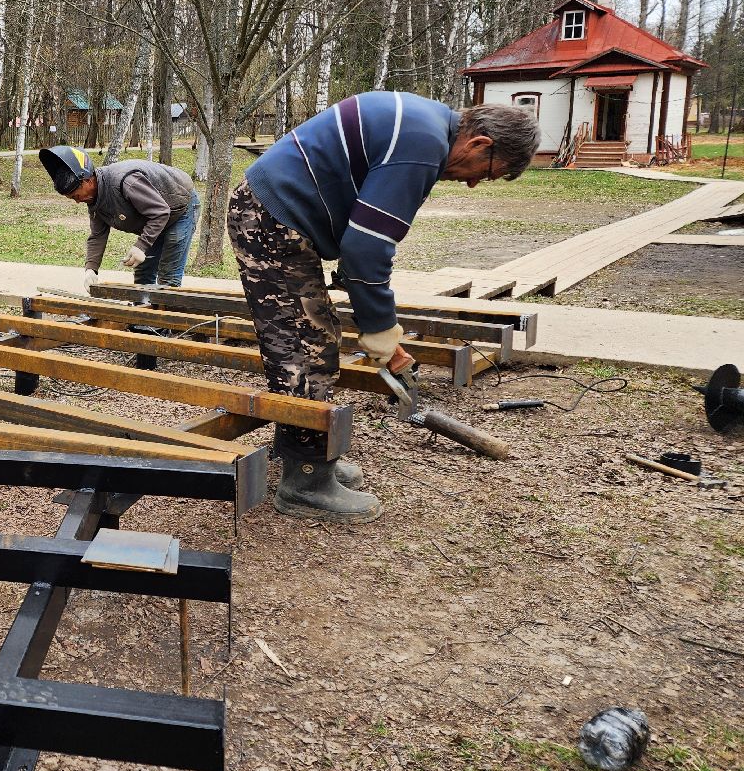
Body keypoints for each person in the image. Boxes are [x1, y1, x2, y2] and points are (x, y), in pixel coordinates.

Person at [229, 92, 540, 524]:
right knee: (304, 349)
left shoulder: (426, 125)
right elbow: (367, 249)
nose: (472, 183)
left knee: (310, 339)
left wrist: (377, 322)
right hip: (271, 216)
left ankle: (310, 455)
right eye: (487, 173)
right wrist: (382, 334)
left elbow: (363, 237)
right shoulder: (422, 146)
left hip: (274, 211)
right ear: (480, 144)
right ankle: (305, 481)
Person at [39, 146, 200, 289]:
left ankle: (164, 320)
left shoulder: (126, 182)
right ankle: (142, 320)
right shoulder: (94, 199)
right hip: (156, 218)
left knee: (167, 278)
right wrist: (91, 269)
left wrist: (141, 246)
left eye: (76, 196)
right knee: (144, 272)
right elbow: (97, 235)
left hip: (180, 209)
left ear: (87, 181)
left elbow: (160, 212)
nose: (77, 202)